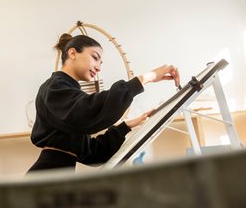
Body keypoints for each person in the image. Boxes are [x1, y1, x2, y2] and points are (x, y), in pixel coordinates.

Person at [27, 33, 180, 172]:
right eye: (95, 57)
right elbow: (87, 110)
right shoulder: (55, 87)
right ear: (72, 53)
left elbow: (93, 154)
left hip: (57, 177)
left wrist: (126, 125)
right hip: (45, 178)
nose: (99, 67)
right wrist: (147, 78)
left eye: (101, 62)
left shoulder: (70, 95)